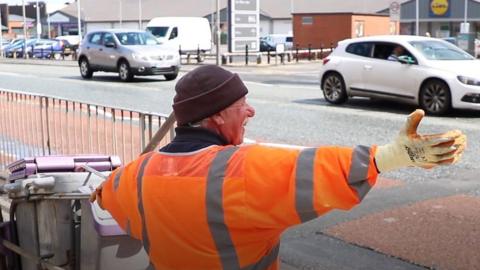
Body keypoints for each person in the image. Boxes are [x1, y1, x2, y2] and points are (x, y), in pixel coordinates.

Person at [90, 65, 466, 270]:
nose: (251, 111)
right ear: (218, 116)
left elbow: (107, 196)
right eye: (242, 104)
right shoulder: (237, 173)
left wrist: (102, 191)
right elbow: (314, 170)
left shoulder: (133, 176)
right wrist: (393, 156)